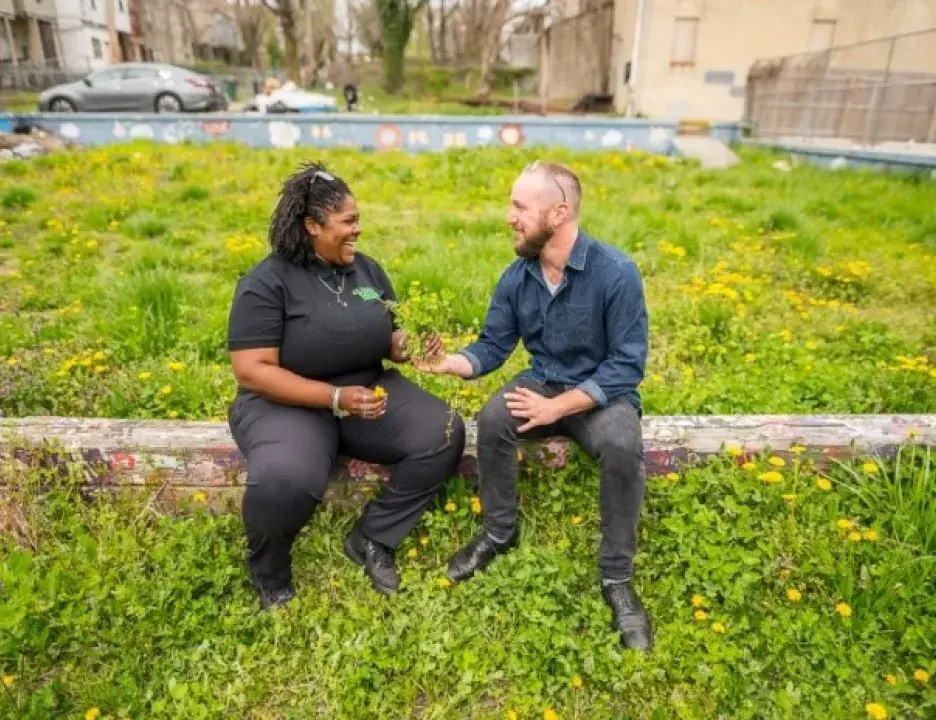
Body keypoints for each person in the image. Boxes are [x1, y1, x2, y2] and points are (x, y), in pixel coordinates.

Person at [418, 161, 653, 651]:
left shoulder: (617, 272)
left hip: (599, 395)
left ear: (560, 213)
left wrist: (557, 409)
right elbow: (491, 348)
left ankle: (616, 579)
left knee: (622, 444)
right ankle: (499, 533)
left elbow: (626, 366)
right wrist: (449, 364)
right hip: (543, 382)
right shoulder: (517, 276)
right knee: (494, 417)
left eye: (521, 206)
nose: (510, 216)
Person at [227, 161, 466, 610]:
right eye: (348, 222)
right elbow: (253, 370)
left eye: (358, 220)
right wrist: (333, 398)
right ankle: (271, 576)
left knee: (444, 431)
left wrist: (410, 345)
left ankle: (372, 537)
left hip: (367, 393)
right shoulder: (266, 282)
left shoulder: (367, 273)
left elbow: (389, 337)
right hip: (286, 404)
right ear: (313, 225)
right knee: (285, 477)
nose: (358, 230)